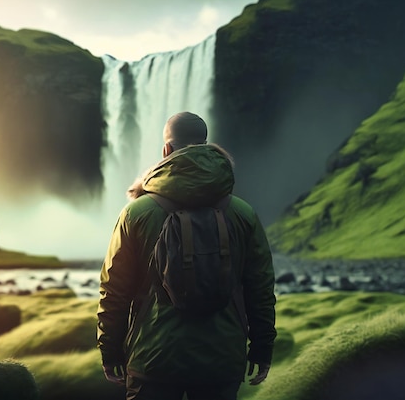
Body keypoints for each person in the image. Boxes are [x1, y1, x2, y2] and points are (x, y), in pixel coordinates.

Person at [97, 111, 277, 400]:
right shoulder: (243, 214)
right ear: (207, 146)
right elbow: (260, 288)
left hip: (152, 359)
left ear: (166, 150)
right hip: (221, 360)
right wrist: (262, 347)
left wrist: (110, 351)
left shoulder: (136, 213)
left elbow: (114, 289)